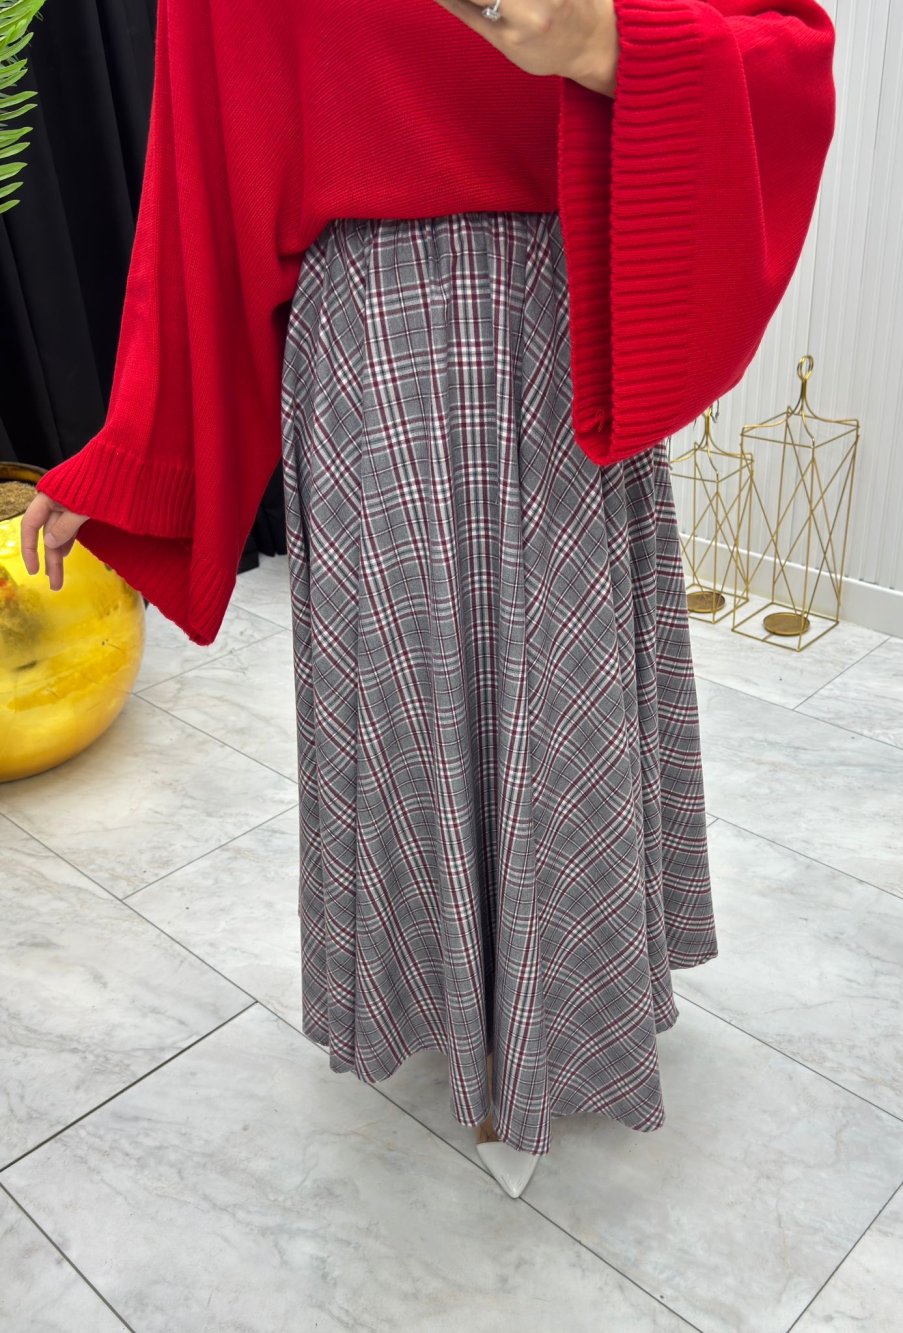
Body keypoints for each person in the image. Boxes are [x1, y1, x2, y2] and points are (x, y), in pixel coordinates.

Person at [19, 0, 837, 1199]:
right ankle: (448, 1003)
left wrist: (608, 44)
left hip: (565, 308)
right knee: (407, 707)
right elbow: (201, 179)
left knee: (562, 701)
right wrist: (134, 447)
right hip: (367, 338)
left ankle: (561, 1011)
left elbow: (782, 45)